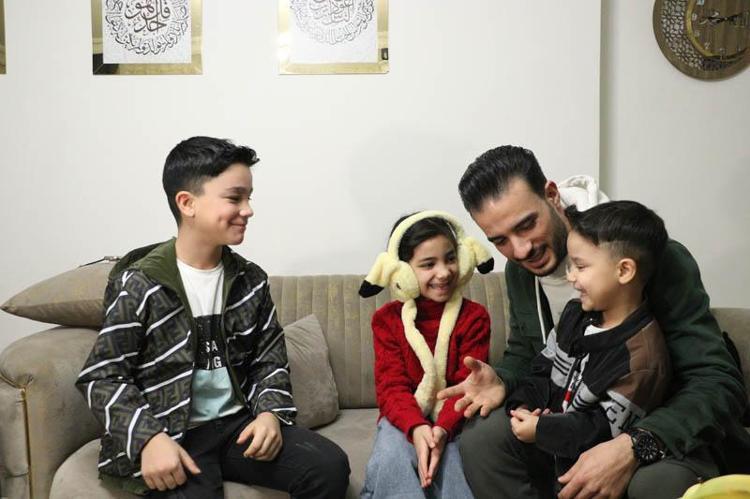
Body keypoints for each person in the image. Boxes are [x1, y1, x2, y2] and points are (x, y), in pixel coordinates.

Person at [438, 145, 750, 499]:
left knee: (656, 483)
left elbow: (716, 380)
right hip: (571, 421)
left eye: (527, 225)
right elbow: (527, 353)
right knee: (482, 436)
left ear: (552, 195)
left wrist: (634, 445)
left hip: (656, 424)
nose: (521, 250)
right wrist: (502, 380)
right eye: (500, 241)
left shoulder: (649, 255)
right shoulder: (519, 273)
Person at [76, 136, 350, 498]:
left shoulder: (250, 280)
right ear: (187, 203)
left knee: (328, 466)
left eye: (249, 198)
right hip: (172, 432)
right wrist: (148, 439)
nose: (248, 210)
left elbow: (269, 360)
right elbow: (102, 376)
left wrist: (269, 414)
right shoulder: (141, 283)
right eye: (235, 198)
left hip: (237, 425)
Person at [503, 200, 672, 498]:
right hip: (554, 460)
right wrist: (523, 406)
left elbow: (603, 431)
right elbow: (542, 369)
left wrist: (542, 429)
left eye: (580, 267)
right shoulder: (574, 314)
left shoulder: (642, 357)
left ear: (624, 270)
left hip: (594, 481)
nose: (571, 277)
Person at [358, 211, 494, 499]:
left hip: (455, 419)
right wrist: (417, 427)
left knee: (454, 465)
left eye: (450, 258)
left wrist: (441, 430)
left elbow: (468, 386)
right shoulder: (386, 320)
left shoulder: (475, 317)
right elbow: (391, 387)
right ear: (403, 272)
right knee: (392, 454)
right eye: (428, 264)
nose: (443, 272)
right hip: (404, 416)